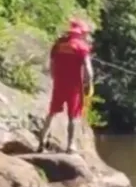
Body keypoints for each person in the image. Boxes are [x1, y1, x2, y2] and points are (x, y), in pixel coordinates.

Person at [37, 18, 94, 154]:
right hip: (74, 87)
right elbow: (88, 69)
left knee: (51, 113)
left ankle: (41, 142)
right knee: (73, 116)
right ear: (80, 33)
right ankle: (71, 146)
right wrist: (89, 82)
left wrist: (54, 77)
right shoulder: (82, 47)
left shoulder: (58, 44)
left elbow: (51, 64)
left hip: (59, 84)